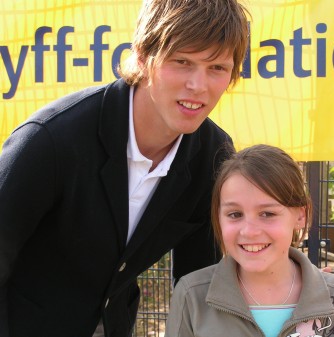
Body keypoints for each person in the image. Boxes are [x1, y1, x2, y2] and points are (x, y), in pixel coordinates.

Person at [0, 1, 249, 336]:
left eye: (216, 68)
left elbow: (200, 283)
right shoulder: (51, 140)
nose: (198, 85)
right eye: (182, 62)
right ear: (143, 56)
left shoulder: (213, 157)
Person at [165, 144, 334, 337]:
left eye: (267, 214)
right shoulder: (192, 296)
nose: (249, 231)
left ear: (300, 216)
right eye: (235, 214)